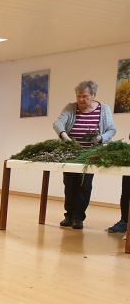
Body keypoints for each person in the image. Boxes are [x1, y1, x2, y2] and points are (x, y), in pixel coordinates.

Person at [52, 80, 116, 229]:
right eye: (78, 96)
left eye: (85, 96)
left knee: (84, 186)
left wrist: (101, 138)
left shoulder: (104, 109)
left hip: (90, 154)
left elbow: (111, 130)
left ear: (93, 95)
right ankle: (69, 215)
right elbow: (58, 124)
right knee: (69, 185)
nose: (81, 99)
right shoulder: (70, 108)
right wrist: (66, 138)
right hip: (71, 153)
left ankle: (78, 217)